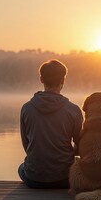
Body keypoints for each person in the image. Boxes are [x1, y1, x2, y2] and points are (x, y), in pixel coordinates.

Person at [18, 59, 83, 189]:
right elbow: (80, 146)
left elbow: (27, 145)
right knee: (79, 164)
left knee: (21, 167)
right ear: (63, 80)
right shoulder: (73, 110)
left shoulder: (26, 108)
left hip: (34, 179)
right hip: (65, 179)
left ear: (41, 79)